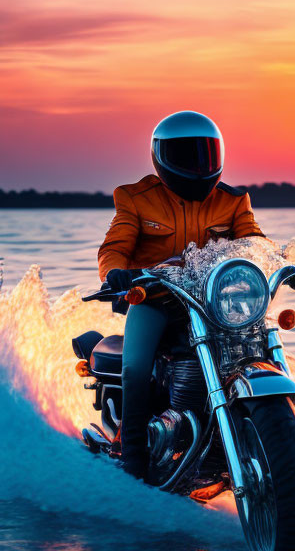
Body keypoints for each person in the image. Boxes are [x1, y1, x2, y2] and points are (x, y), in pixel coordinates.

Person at [97, 110, 266, 478]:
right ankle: (133, 461)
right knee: (135, 367)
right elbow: (115, 245)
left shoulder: (234, 201)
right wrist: (115, 273)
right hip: (155, 299)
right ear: (161, 157)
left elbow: (256, 243)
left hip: (214, 306)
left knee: (259, 345)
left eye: (206, 154)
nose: (199, 164)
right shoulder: (135, 198)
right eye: (187, 156)